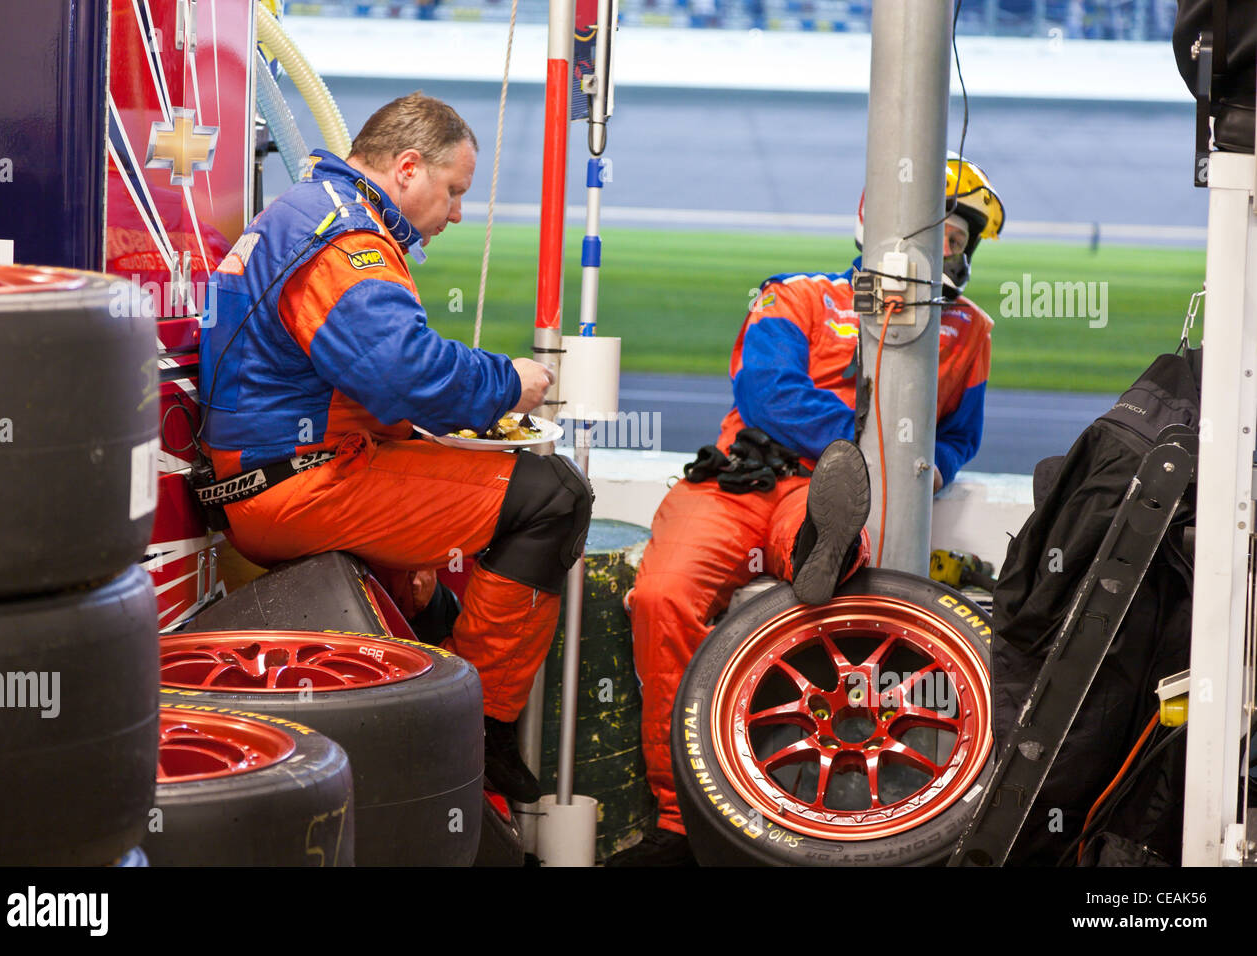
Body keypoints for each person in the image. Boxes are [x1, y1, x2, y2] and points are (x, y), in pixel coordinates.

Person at [607, 155, 1006, 865]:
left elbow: (956, 442)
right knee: (662, 595)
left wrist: (910, 471)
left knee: (833, 571)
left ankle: (827, 544)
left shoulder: (969, 330)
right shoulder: (796, 295)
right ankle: (678, 818)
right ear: (876, 225)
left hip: (819, 497)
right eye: (931, 231)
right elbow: (767, 393)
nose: (943, 247)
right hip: (736, 480)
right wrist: (869, 448)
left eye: (954, 238)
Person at [197, 92, 591, 803]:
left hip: (281, 472)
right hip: (300, 483)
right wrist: (509, 383)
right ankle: (481, 730)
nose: (459, 213)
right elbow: (402, 373)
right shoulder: (344, 241)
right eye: (455, 191)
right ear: (408, 169)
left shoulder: (310, 214)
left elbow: (375, 384)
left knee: (432, 601)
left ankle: (444, 736)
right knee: (553, 497)